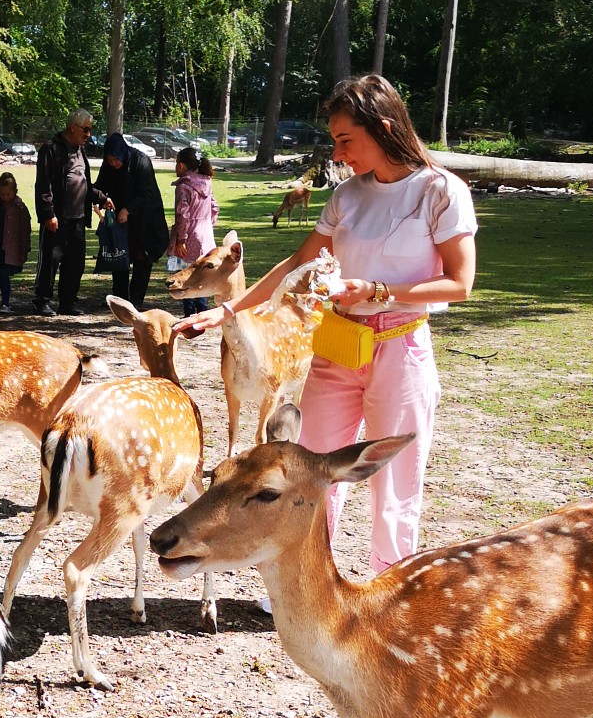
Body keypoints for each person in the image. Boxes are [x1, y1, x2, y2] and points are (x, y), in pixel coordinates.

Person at [178, 72, 478, 575]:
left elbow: (460, 283)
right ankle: (308, 581)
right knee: (310, 471)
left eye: (345, 140)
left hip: (399, 347)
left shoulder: (440, 191)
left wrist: (380, 292)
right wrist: (230, 310)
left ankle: (391, 585)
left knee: (394, 478)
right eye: (335, 141)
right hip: (338, 343)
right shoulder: (348, 196)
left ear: (383, 127)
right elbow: (297, 263)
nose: (338, 154)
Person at [33, 109, 109, 317]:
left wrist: (101, 198)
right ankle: (42, 300)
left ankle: (68, 302)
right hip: (57, 217)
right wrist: (48, 213)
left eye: (90, 130)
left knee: (75, 263)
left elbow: (83, 183)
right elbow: (43, 185)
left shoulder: (80, 150)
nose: (88, 135)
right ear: (73, 127)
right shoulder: (50, 149)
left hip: (78, 218)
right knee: (50, 260)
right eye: (85, 130)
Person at [94, 132, 169, 308]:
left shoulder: (140, 161)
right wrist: (100, 199)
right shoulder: (109, 166)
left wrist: (128, 210)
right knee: (119, 256)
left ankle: (135, 300)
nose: (114, 163)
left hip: (145, 218)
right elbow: (100, 186)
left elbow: (146, 193)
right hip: (121, 220)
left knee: (141, 259)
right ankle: (119, 298)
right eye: (110, 160)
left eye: (116, 159)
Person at [165, 146, 218, 314]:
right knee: (201, 274)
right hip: (206, 235)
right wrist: (208, 224)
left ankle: (190, 315)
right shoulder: (206, 183)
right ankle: (202, 311)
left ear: (181, 165)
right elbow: (215, 206)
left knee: (186, 276)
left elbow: (183, 215)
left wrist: (181, 239)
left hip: (189, 237)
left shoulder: (184, 187)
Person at [0, 170, 32, 314]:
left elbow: (25, 229)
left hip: (11, 247)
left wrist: (24, 249)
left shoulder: (20, 209)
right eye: (2, 194)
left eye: (8, 194)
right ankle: (6, 291)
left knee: (3, 274)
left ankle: (5, 302)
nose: (5, 198)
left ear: (14, 192)